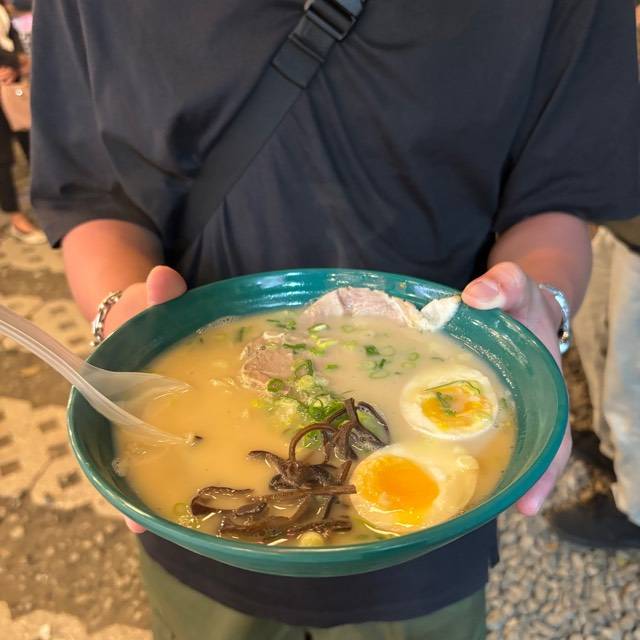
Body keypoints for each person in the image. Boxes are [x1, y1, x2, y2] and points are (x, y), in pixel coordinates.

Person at [31, 2, 639, 639]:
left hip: (430, 528)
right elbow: (93, 194)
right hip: (194, 504)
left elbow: (556, 194)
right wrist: (121, 311)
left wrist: (538, 304)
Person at [547, 1, 640, 549]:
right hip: (621, 218)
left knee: (634, 381)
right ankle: (610, 448)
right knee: (599, 341)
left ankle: (633, 509)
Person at [0, 0, 42, 244]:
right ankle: (16, 218)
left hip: (11, 88)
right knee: (3, 159)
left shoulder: (3, 7)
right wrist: (14, 62)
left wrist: (16, 65)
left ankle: (47, 204)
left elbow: (12, 35)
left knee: (32, 145)